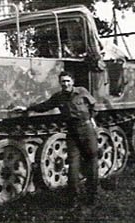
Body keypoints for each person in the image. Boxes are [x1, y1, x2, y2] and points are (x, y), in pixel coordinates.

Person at [26, 71, 99, 207]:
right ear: (60, 83)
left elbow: (94, 105)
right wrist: (28, 108)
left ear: (72, 81)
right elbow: (44, 106)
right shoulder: (58, 97)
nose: (65, 84)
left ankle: (92, 196)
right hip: (72, 131)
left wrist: (91, 119)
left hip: (86, 129)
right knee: (73, 165)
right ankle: (74, 199)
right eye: (63, 81)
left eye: (67, 81)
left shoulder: (82, 91)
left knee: (92, 162)